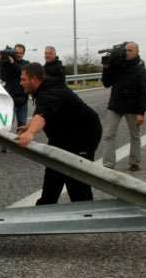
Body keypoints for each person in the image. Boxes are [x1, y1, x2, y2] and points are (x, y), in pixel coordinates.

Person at [15, 63, 102, 205]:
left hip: (82, 136)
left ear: (34, 79)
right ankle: (46, 206)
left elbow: (42, 114)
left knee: (76, 181)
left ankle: (86, 213)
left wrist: (30, 132)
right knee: (53, 173)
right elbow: (45, 112)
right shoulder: (45, 87)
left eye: (23, 79)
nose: (21, 82)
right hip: (62, 135)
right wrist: (29, 126)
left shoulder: (50, 92)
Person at [101, 42, 146, 172]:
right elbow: (106, 83)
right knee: (109, 134)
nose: (127, 52)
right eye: (125, 50)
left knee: (134, 135)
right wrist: (106, 68)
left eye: (130, 50)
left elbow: (145, 93)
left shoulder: (141, 70)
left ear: (137, 51)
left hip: (133, 107)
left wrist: (141, 113)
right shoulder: (117, 65)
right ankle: (108, 164)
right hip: (115, 105)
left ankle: (134, 162)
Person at [0, 44, 30, 129]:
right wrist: (1, 63)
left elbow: (24, 71)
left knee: (22, 124)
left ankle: (20, 138)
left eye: (20, 53)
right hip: (10, 98)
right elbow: (3, 78)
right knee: (8, 122)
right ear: (13, 52)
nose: (18, 55)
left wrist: (13, 63)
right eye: (16, 53)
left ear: (23, 54)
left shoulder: (26, 63)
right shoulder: (7, 63)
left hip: (22, 98)